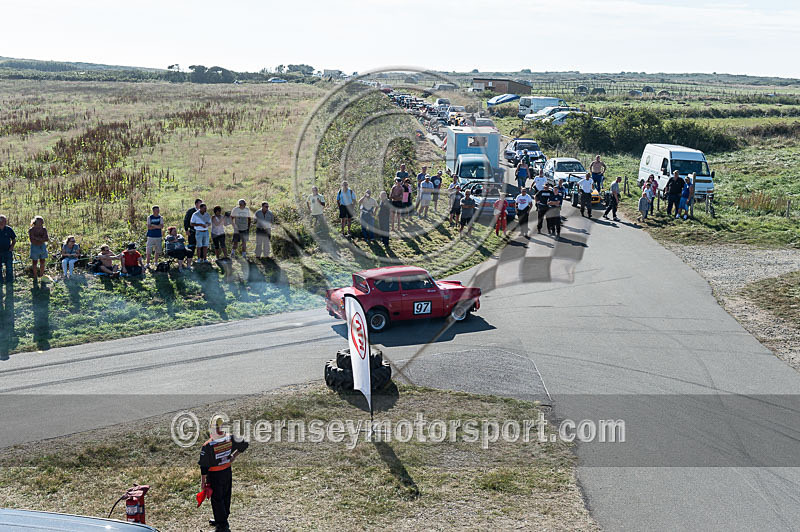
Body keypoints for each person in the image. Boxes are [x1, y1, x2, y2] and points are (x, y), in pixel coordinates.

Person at [199, 417, 249, 532]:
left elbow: (204, 466)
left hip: (215, 475)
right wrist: (233, 456)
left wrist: (203, 481)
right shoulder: (230, 438)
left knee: (217, 499)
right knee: (226, 496)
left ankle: (222, 526)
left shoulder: (208, 445)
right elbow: (244, 443)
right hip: (227, 472)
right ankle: (221, 519)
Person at [28, 216, 49, 283]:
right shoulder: (31, 230)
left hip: (42, 246)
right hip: (34, 247)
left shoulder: (44, 229)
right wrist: (41, 239)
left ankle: (41, 275)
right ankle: (35, 276)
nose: (42, 223)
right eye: (40, 221)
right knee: (34, 262)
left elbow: (46, 239)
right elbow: (32, 240)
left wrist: (37, 238)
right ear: (36, 222)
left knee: (42, 261)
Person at [183, 198, 202, 263]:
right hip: (192, 231)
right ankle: (190, 258)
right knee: (192, 245)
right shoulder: (190, 211)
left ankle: (200, 258)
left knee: (200, 245)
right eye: (200, 203)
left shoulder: (203, 211)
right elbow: (186, 220)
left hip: (201, 231)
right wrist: (186, 230)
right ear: (196, 204)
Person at [0, 215, 16, 284]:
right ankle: (0, 281)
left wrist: (11, 247)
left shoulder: (9, 229)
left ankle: (9, 281)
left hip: (7, 251)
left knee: (9, 267)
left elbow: (14, 240)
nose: (4, 222)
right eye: (2, 221)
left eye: (5, 221)